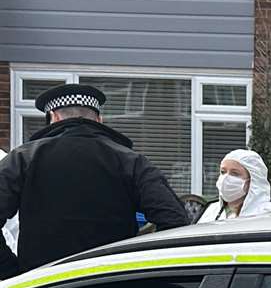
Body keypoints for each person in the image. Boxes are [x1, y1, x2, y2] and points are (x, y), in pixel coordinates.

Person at [0, 84, 188, 277]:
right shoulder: (129, 160)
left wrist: (12, 274)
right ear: (99, 119)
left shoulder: (23, 159)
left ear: (54, 117)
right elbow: (175, 221)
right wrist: (139, 272)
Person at [198, 148, 271, 222]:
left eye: (235, 173)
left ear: (253, 181)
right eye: (223, 172)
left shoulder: (270, 214)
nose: (226, 178)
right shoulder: (211, 210)